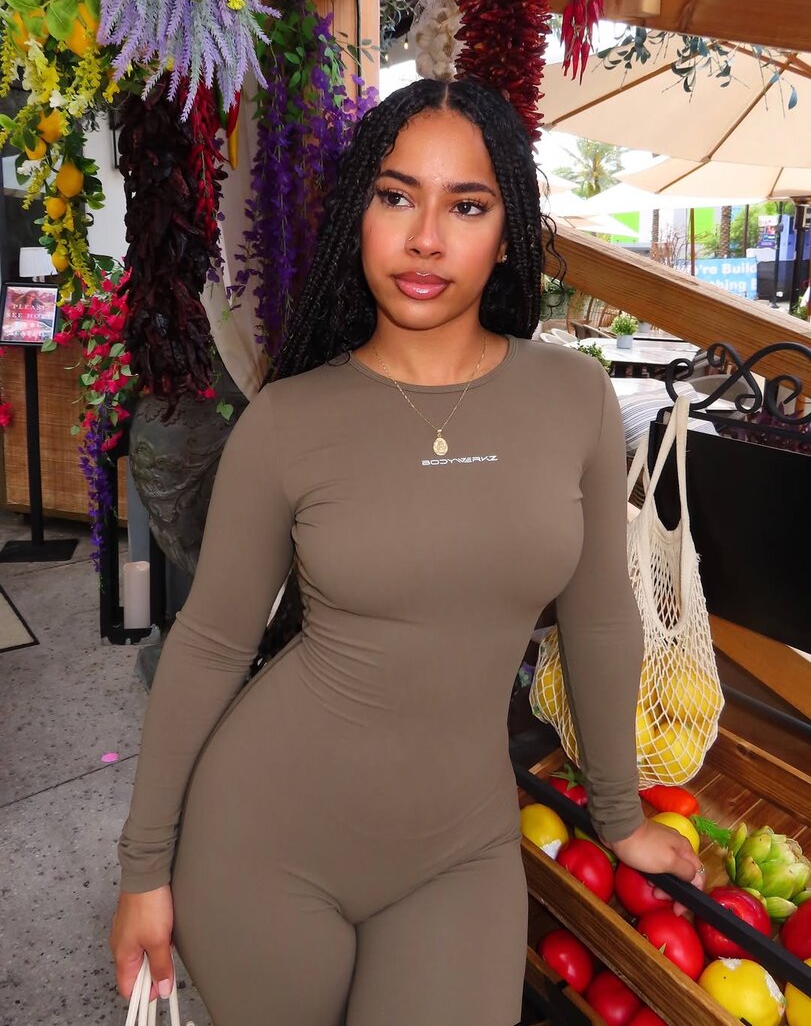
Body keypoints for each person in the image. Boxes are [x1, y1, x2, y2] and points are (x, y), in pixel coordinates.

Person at [110, 78, 703, 1026]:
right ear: (359, 215)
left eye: (465, 206)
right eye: (396, 197)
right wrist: (144, 869)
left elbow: (598, 616)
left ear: (506, 234)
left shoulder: (573, 397)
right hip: (263, 844)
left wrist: (619, 815)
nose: (425, 237)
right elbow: (212, 645)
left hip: (459, 853)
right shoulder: (288, 420)